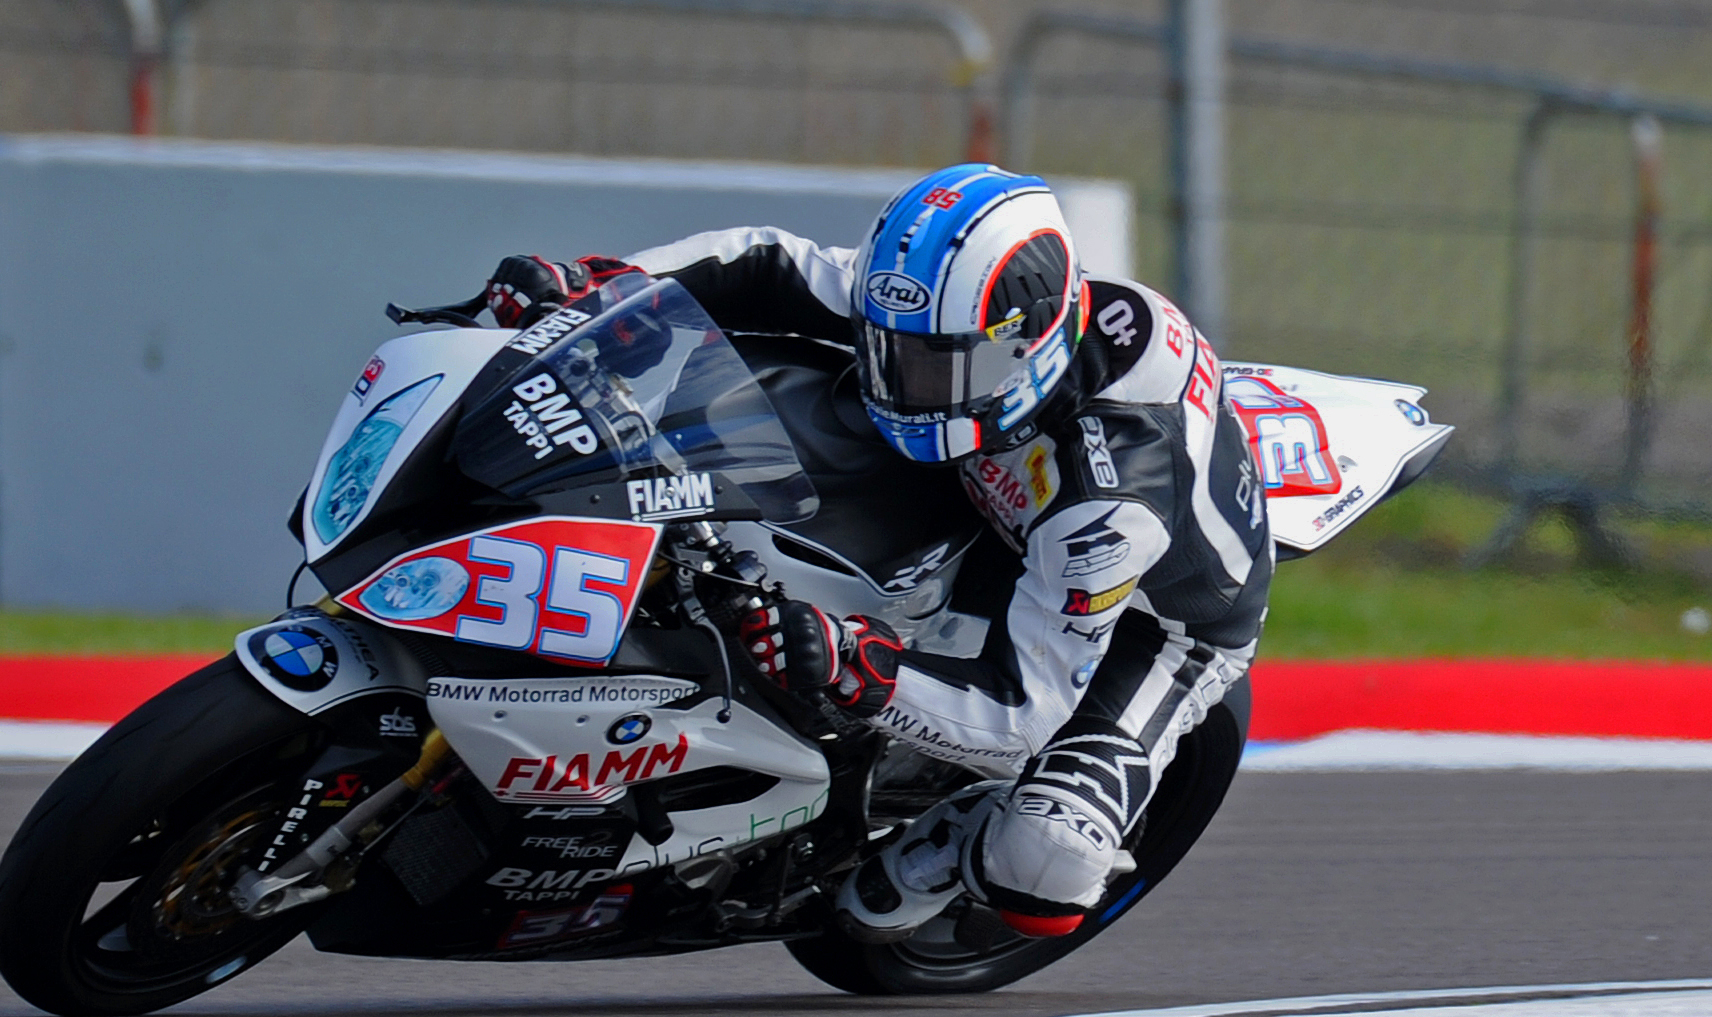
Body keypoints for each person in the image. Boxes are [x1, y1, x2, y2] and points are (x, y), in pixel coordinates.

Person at [479, 164, 1270, 943]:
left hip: (1152, 624)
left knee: (1046, 864)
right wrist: (595, 287)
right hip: (993, 480)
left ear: (1025, 348)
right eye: (887, 350)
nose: (899, 384)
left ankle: (963, 836)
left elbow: (1024, 713)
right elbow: (766, 262)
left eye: (931, 368)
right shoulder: (952, 315)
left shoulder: (1108, 505)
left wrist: (856, 664)